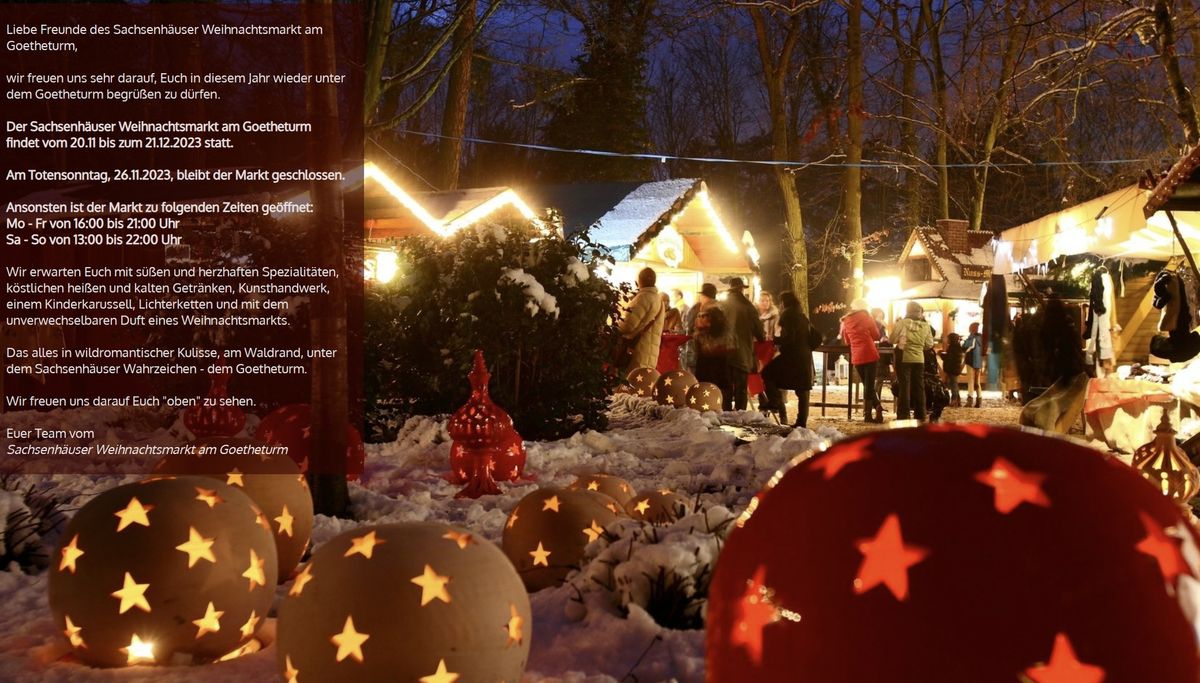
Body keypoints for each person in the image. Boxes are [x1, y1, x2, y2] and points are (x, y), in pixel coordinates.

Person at [762, 292, 822, 428]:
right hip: (804, 356)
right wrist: (807, 348)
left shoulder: (788, 315)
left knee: (767, 373)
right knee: (802, 391)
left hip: (791, 356)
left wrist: (775, 340)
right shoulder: (802, 316)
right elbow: (817, 337)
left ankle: (775, 400)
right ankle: (801, 422)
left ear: (783, 302)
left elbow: (789, 338)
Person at [721, 278, 765, 410]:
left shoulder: (721, 306)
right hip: (742, 353)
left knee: (726, 388)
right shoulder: (748, 307)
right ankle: (739, 416)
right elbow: (759, 332)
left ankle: (725, 414)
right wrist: (761, 338)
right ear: (741, 289)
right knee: (740, 388)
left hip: (724, 352)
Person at [891, 301, 936, 421]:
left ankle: (903, 415)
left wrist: (901, 340)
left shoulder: (902, 323)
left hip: (904, 358)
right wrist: (920, 347)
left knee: (904, 386)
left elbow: (892, 339)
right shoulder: (926, 326)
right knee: (919, 387)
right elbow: (929, 344)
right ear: (919, 312)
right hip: (919, 359)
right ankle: (920, 415)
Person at [839, 298, 882, 423]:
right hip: (870, 353)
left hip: (857, 356)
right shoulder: (866, 316)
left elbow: (846, 340)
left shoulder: (846, 320)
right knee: (869, 386)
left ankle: (874, 408)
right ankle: (869, 414)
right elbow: (876, 335)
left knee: (866, 385)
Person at [617, 267, 665, 374]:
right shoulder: (658, 299)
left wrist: (617, 325)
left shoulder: (643, 298)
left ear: (640, 280)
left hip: (638, 349)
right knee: (643, 383)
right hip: (650, 351)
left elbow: (628, 325)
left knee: (630, 383)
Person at [693, 306, 733, 406]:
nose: (700, 318)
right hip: (706, 374)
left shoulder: (722, 336)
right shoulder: (700, 335)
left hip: (718, 374)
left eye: (704, 316)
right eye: (699, 316)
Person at [683, 283, 718, 373]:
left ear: (703, 296)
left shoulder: (697, 309)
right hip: (718, 353)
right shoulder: (722, 308)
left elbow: (689, 327)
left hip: (699, 351)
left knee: (698, 378)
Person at [962, 322, 983, 408]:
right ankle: (979, 400)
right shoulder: (981, 338)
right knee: (977, 382)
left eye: (970, 327)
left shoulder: (972, 338)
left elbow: (966, 347)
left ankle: (970, 401)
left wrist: (964, 343)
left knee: (970, 381)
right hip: (978, 362)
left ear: (972, 329)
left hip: (971, 361)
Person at [940, 332, 964, 407]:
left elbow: (948, 359)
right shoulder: (957, 347)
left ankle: (954, 400)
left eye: (948, 339)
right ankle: (958, 401)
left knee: (953, 385)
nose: (947, 340)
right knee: (955, 384)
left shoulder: (953, 348)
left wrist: (941, 355)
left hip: (952, 369)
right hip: (955, 368)